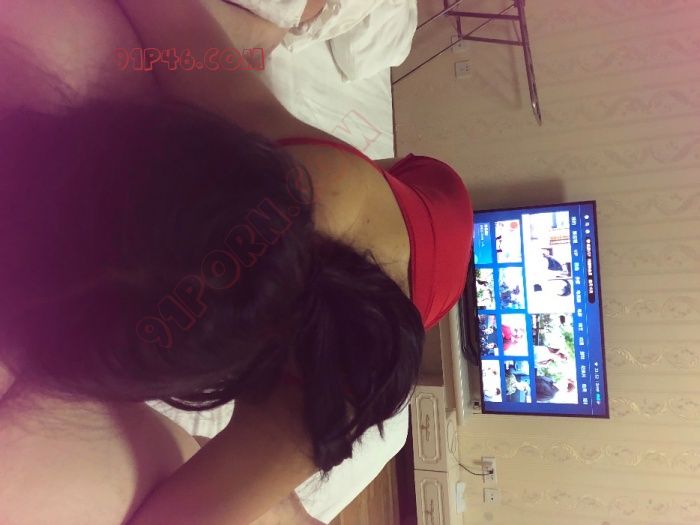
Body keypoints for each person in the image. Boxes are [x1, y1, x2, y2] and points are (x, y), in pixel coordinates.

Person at [0, 1, 473, 524]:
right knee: (240, 48)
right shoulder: (286, 180)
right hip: (424, 206)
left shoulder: (318, 399)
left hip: (425, 240)